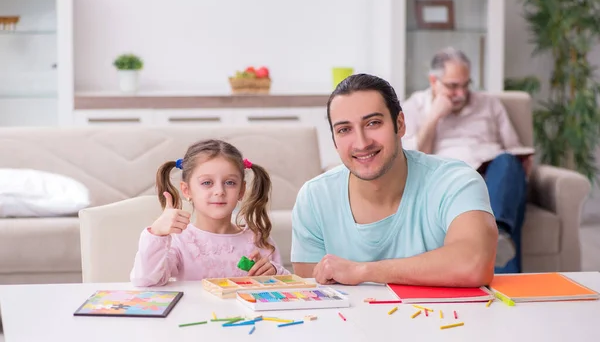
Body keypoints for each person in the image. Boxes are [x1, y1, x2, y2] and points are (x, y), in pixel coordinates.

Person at [291, 73, 498, 287]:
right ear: (334, 140)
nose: (361, 143)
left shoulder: (455, 182)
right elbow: (313, 295)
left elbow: (474, 264)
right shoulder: (314, 198)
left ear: (399, 124)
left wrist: (363, 271)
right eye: (344, 130)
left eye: (373, 123)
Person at [401, 47, 531, 273]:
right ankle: (496, 239)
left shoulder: (489, 104)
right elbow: (412, 160)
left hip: (494, 179)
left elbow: (513, 148)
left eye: (465, 84)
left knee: (508, 164)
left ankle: (498, 232)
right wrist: (434, 117)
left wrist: (522, 164)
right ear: (434, 81)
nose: (461, 93)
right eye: (453, 86)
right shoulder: (414, 107)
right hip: (453, 183)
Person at [131, 139, 289, 287]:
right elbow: (145, 280)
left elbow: (287, 289)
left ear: (241, 191)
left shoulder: (259, 239)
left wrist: (274, 273)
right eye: (207, 183)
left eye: (230, 183)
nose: (219, 191)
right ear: (187, 190)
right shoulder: (179, 241)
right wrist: (157, 233)